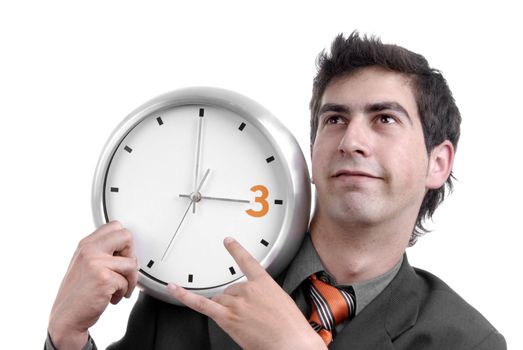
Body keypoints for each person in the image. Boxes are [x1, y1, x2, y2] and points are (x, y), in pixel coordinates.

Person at [46, 32, 506, 349]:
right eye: (335, 119)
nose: (351, 141)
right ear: (312, 151)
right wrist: (65, 339)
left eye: (384, 119)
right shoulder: (194, 278)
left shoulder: (467, 342)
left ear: (438, 163)